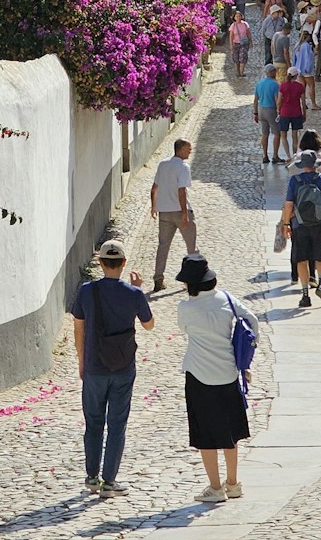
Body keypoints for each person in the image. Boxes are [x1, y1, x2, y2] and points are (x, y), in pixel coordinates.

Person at [71, 239, 155, 496]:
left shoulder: (87, 291)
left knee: (93, 422)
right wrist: (137, 290)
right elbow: (149, 325)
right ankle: (110, 481)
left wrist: (81, 361)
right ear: (124, 263)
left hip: (94, 366)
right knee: (117, 423)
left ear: (100, 263)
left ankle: (91, 476)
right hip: (123, 367)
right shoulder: (134, 294)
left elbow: (78, 328)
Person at [175, 253, 258, 504]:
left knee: (206, 435)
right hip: (228, 373)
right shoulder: (226, 298)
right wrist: (245, 357)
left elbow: (184, 329)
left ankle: (214, 487)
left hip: (199, 376)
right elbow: (252, 321)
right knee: (230, 432)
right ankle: (233, 484)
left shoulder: (186, 308)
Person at [281, 150, 321, 306]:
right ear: (316, 166)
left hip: (299, 225)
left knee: (302, 259)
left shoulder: (295, 181)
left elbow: (288, 205)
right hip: (320, 224)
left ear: (302, 166)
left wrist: (286, 224)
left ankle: (305, 295)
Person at [151, 140, 197, 293]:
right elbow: (181, 191)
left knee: (163, 246)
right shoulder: (183, 167)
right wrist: (184, 214)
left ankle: (158, 279)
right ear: (181, 149)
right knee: (191, 247)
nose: (190, 151)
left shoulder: (163, 164)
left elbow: (154, 188)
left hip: (164, 212)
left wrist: (154, 206)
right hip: (179, 211)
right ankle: (192, 281)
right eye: (188, 149)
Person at [274, 65, 307, 163]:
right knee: (295, 135)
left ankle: (288, 155)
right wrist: (304, 114)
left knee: (283, 135)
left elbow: (279, 101)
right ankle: (295, 155)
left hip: (285, 113)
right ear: (296, 75)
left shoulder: (283, 86)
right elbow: (303, 103)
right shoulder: (300, 86)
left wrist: (278, 111)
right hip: (296, 112)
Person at [252, 63, 281, 163]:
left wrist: (255, 113)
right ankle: (275, 156)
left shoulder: (259, 83)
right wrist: (279, 112)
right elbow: (277, 100)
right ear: (272, 72)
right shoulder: (275, 84)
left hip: (261, 110)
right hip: (271, 110)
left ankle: (265, 156)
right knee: (277, 133)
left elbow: (255, 100)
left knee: (265, 134)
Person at [291, 30, 317, 109]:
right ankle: (313, 104)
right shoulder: (306, 46)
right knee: (311, 86)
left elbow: (294, 58)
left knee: (302, 87)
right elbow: (309, 58)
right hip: (306, 69)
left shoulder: (297, 45)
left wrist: (295, 67)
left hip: (299, 69)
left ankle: (303, 104)